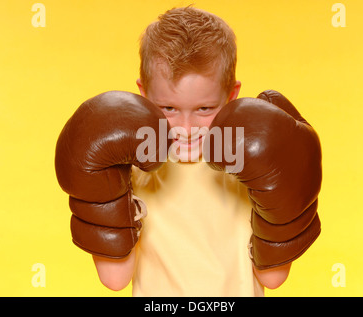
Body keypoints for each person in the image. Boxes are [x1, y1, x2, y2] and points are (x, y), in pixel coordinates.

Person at [55, 6, 321, 297]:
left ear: (232, 95)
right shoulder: (130, 170)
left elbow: (272, 278)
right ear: (143, 94)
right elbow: (115, 279)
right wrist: (102, 194)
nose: (186, 127)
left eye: (204, 109)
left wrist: (290, 189)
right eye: (168, 108)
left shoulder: (248, 162)